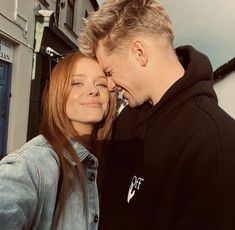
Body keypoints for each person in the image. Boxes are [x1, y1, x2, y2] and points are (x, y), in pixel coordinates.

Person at [79, 0, 235, 229]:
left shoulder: (217, 142)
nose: (109, 85)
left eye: (109, 72)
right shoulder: (126, 122)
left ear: (139, 53)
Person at [0, 52, 115, 229]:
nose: (93, 90)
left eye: (101, 83)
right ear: (58, 94)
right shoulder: (33, 164)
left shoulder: (110, 159)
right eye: (77, 83)